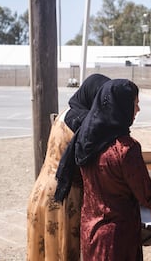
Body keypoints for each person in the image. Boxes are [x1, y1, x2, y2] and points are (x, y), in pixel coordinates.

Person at [26, 73, 110, 261]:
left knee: (43, 253)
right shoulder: (85, 122)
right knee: (62, 251)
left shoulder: (66, 112)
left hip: (41, 190)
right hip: (64, 197)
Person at [76, 79, 151, 260]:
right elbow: (146, 195)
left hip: (91, 231)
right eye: (135, 104)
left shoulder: (87, 141)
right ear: (122, 106)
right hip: (117, 239)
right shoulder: (126, 149)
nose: (138, 109)